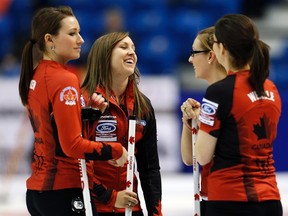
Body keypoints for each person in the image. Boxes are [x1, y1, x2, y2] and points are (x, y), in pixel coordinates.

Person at [18, 6, 128, 216]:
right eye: (72, 33)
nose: (81, 40)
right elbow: (71, 145)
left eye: (78, 32)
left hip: (38, 193)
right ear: (49, 40)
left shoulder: (39, 74)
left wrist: (89, 112)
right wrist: (114, 150)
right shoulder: (65, 79)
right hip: (64, 192)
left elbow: (55, 126)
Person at [190, 14, 282, 216]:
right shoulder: (271, 88)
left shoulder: (219, 92)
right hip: (270, 199)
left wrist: (198, 122)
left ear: (222, 48)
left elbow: (203, 156)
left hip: (229, 200)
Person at [81, 32, 163, 216]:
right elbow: (77, 160)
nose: (132, 53)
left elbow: (149, 168)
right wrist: (109, 197)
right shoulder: (84, 100)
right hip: (92, 205)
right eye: (124, 47)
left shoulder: (142, 105)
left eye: (133, 48)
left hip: (129, 207)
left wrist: (156, 213)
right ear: (104, 55)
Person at [180, 26, 226, 215]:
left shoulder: (225, 95)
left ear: (210, 56)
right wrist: (189, 123)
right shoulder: (210, 98)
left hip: (227, 197)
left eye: (194, 52)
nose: (190, 59)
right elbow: (190, 159)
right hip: (209, 193)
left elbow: (205, 154)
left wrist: (204, 121)